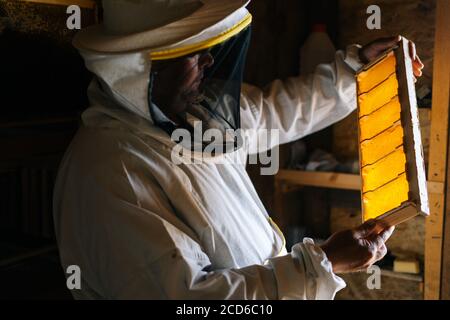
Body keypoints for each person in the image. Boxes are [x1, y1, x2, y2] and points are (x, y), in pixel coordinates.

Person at [53, 0, 424, 299]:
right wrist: (322, 263)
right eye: (193, 53)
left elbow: (279, 111)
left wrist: (356, 69)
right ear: (141, 68)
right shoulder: (110, 173)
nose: (209, 61)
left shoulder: (193, 116)